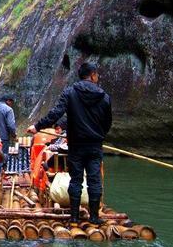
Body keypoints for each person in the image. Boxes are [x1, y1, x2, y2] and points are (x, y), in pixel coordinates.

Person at [27, 62, 112, 227]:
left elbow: (56, 113)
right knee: (94, 180)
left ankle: (74, 217)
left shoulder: (70, 92)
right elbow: (107, 122)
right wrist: (99, 135)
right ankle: (94, 217)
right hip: (94, 144)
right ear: (93, 75)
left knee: (76, 179)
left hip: (76, 144)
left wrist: (37, 126)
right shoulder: (104, 97)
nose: (98, 77)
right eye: (97, 75)